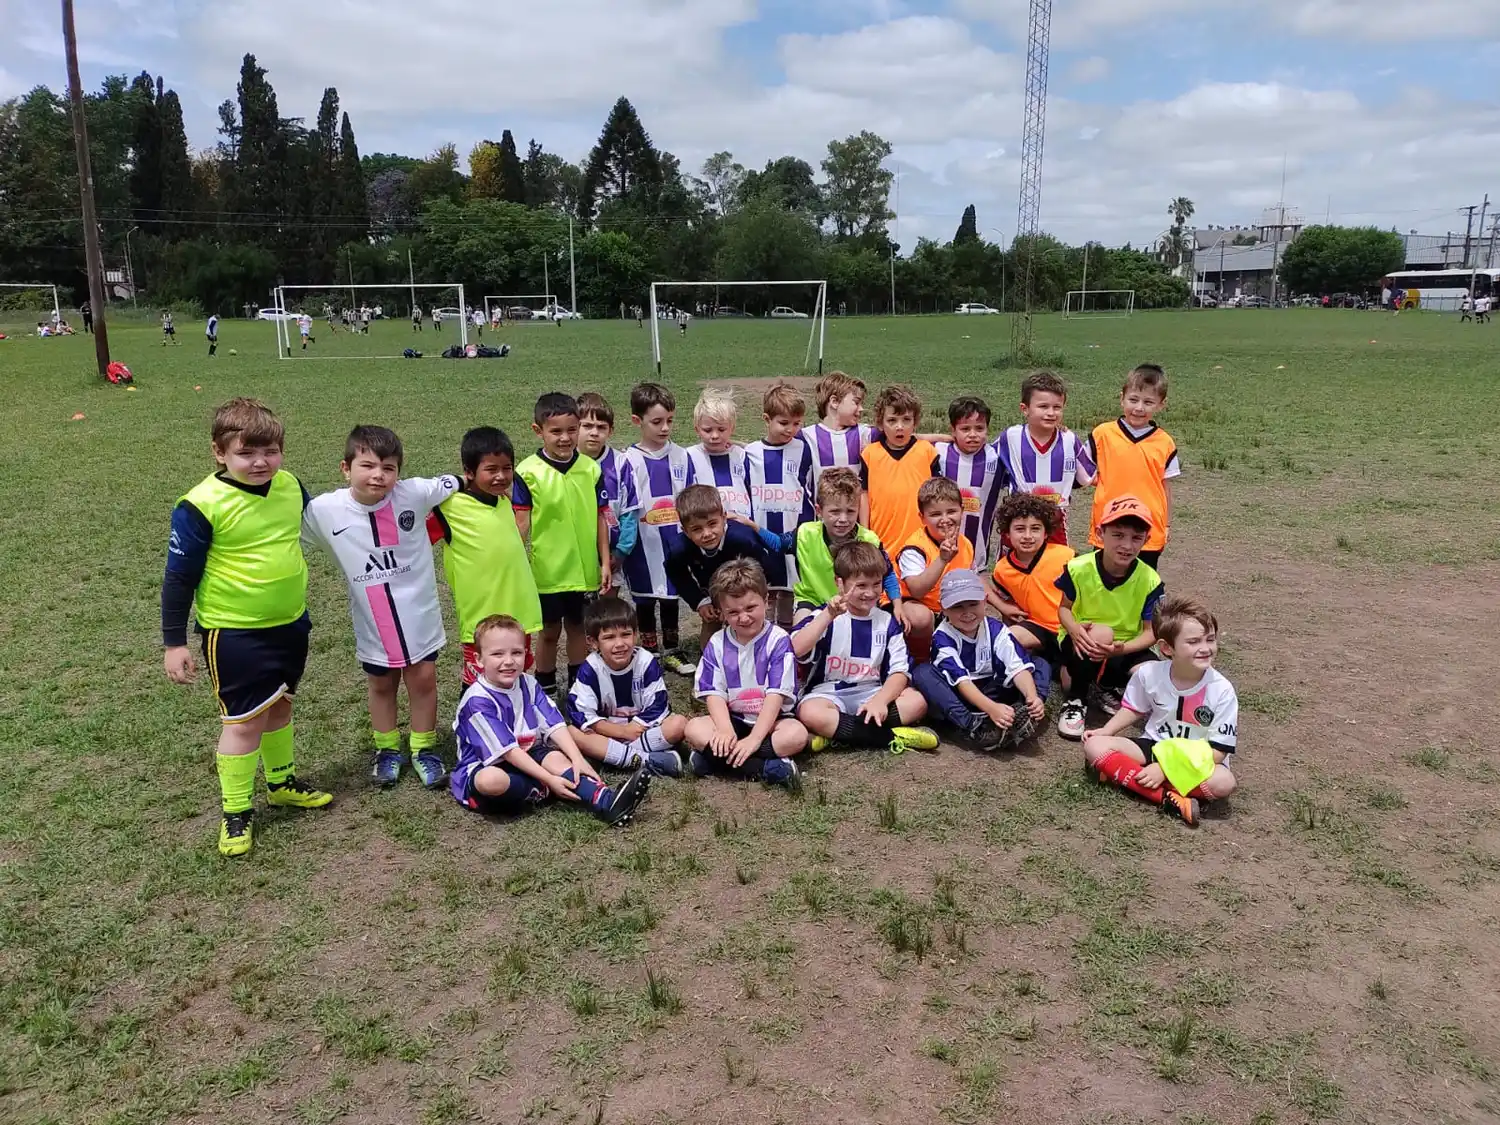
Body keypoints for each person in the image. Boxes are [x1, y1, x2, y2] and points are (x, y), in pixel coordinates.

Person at [161, 398, 331, 857]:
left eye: (270, 451)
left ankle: (281, 783)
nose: (260, 462)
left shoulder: (292, 485)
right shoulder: (200, 505)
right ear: (219, 452)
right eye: (246, 453)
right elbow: (179, 579)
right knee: (243, 723)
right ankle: (236, 813)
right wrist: (174, 643)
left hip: (291, 623)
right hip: (233, 632)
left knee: (280, 707)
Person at [302, 425, 460, 789]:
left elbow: (454, 481)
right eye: (368, 465)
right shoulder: (324, 511)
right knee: (381, 683)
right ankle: (387, 749)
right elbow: (284, 536)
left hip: (418, 612)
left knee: (423, 679)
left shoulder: (415, 493)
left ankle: (424, 748)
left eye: (388, 468)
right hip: (373, 619)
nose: (378, 475)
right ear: (345, 468)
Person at [451, 615, 650, 826]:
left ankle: (607, 801)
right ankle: (542, 789)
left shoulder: (527, 683)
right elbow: (509, 751)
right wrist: (549, 779)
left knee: (557, 757)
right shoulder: (477, 702)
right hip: (490, 764)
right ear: (479, 659)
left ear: (526, 654)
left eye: (516, 652)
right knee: (490, 781)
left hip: (529, 752)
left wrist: (577, 759)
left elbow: (554, 724)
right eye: (497, 654)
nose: (508, 661)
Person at [1082, 595, 1238, 827]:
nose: (1205, 648)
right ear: (1167, 648)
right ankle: (1170, 798)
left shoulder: (1222, 690)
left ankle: (1127, 776)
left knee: (1224, 783)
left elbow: (1218, 752)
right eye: (1193, 642)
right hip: (1155, 745)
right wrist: (1106, 729)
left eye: (1210, 639)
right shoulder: (1149, 674)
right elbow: (1133, 708)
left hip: (1195, 758)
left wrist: (1166, 769)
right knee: (1095, 745)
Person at [512, 393, 611, 703]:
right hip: (548, 574)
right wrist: (514, 565)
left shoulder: (590, 469)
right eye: (556, 431)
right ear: (537, 430)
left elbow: (599, 518)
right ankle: (545, 689)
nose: (566, 438)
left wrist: (605, 562)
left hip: (584, 571)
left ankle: (578, 689)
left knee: (580, 629)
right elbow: (521, 524)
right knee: (550, 632)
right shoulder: (527, 472)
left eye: (572, 429)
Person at [793, 541, 936, 754]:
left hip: (872, 692)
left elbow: (899, 672)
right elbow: (795, 649)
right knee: (809, 712)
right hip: (830, 695)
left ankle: (837, 734)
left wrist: (880, 701)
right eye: (861, 586)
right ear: (839, 583)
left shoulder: (888, 622)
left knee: (917, 701)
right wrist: (827, 616)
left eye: (876, 584)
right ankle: (892, 737)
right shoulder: (826, 616)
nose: (870, 593)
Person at [427, 427, 544, 688]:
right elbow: (415, 540)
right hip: (481, 620)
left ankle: (517, 726)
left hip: (519, 613)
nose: (501, 476)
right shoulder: (449, 508)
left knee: (517, 676)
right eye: (491, 469)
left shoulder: (503, 501)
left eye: (507, 468)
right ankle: (471, 728)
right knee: (480, 683)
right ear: (469, 472)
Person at [682, 560, 807, 784]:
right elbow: (714, 693)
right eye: (733, 612)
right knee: (693, 729)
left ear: (766, 601)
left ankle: (713, 760)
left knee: (796, 736)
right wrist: (725, 729)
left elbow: (775, 695)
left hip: (773, 720)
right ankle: (766, 768)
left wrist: (755, 739)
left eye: (750, 608)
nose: (743, 617)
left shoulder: (778, 640)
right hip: (734, 719)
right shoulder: (717, 642)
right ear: (722, 613)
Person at [1054, 495, 1165, 741]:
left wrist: (1120, 649)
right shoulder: (1078, 567)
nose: (1127, 545)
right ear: (1099, 533)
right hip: (1085, 639)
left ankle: (1103, 685)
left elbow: (1151, 632)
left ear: (1146, 540)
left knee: (1152, 672)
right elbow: (1064, 609)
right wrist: (1073, 629)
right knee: (1101, 633)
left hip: (1123, 646)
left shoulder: (1150, 579)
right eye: (1118, 535)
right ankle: (1076, 700)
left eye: (1136, 538)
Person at [914, 570, 1045, 751]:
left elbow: (1018, 667)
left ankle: (1027, 711)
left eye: (973, 604)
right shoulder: (942, 637)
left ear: (985, 601)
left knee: (1039, 665)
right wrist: (991, 708)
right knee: (922, 672)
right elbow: (962, 683)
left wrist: (1032, 695)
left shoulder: (996, 628)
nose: (967, 613)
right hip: (961, 697)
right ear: (942, 607)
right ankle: (975, 727)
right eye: (957, 607)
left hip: (994, 688)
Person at [565, 597, 687, 777]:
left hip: (641, 730)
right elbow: (581, 713)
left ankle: (617, 758)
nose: (620, 644)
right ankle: (647, 760)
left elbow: (658, 704)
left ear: (636, 634)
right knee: (572, 732)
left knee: (679, 724)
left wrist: (632, 729)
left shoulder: (645, 661)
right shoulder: (590, 669)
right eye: (609, 637)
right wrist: (620, 731)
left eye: (625, 634)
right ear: (593, 642)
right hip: (607, 732)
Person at [621, 383, 693, 674]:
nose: (665, 428)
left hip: (674, 540)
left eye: (670, 421)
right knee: (645, 597)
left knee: (672, 594)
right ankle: (650, 650)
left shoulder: (682, 456)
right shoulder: (628, 459)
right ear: (637, 421)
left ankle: (674, 650)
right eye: (657, 422)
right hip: (643, 542)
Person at [1086, 365, 1178, 569]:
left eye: (1148, 402)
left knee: (1141, 587)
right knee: (1102, 582)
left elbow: (1165, 487)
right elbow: (1082, 471)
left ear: (1161, 405)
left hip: (1148, 528)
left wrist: (1166, 524)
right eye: (1133, 400)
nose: (1139, 408)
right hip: (1108, 523)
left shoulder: (1165, 443)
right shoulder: (1102, 434)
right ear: (1122, 398)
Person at [987, 492, 1073, 699]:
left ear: (1046, 532)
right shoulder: (1002, 569)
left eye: (1035, 529)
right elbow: (1010, 603)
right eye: (1020, 529)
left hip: (1069, 629)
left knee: (1069, 686)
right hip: (1038, 628)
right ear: (1007, 533)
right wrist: (1003, 607)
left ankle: (1052, 665)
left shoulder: (1066, 556)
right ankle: (1027, 672)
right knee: (1007, 638)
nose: (1027, 536)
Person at [792, 467, 905, 625]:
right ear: (819, 511)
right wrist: (753, 527)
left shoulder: (869, 539)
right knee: (801, 629)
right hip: (812, 601)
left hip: (856, 604)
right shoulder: (805, 533)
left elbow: (887, 573)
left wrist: (897, 605)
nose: (843, 519)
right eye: (835, 511)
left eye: (851, 511)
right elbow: (776, 542)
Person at [994, 371, 1094, 546]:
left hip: (1055, 522)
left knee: (1056, 569)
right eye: (1043, 407)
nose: (1051, 413)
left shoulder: (1069, 439)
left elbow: (1086, 478)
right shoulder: (1010, 437)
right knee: (1013, 570)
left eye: (1057, 407)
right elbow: (982, 459)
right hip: (1019, 521)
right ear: (1025, 409)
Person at [743, 381, 814, 627]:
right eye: (784, 423)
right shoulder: (750, 453)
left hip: (795, 533)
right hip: (761, 532)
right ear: (767, 418)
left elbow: (810, 490)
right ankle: (762, 634)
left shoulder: (804, 449)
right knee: (764, 588)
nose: (790, 429)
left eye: (796, 423)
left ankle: (785, 636)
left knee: (790, 589)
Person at [665, 485, 775, 642]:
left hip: (747, 591)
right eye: (697, 529)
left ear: (724, 517)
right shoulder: (678, 549)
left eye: (712, 524)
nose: (707, 533)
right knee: (709, 637)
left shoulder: (743, 539)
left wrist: (746, 603)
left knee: (753, 629)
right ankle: (712, 662)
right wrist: (700, 602)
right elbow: (677, 574)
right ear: (685, 531)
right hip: (711, 593)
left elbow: (765, 570)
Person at [860, 383, 939, 565]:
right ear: (880, 423)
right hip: (882, 539)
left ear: (915, 422)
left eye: (906, 420)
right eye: (892, 420)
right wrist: (865, 532)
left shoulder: (927, 452)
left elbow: (938, 496)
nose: (899, 427)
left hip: (920, 540)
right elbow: (863, 494)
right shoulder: (870, 454)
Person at [895, 476, 973, 656]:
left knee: (975, 606)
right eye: (935, 514)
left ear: (962, 511)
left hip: (947, 607)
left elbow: (972, 578)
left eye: (951, 511)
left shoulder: (965, 543)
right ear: (922, 518)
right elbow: (917, 590)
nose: (945, 520)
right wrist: (943, 559)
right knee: (919, 617)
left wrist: (1002, 605)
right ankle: (921, 659)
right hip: (913, 605)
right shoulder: (914, 547)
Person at [933, 396, 1009, 569]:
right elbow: (908, 439)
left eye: (979, 428)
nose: (973, 435)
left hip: (978, 548)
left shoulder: (997, 456)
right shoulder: (938, 452)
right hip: (940, 546)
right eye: (965, 429)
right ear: (953, 430)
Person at [577, 392, 640, 597]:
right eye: (586, 426)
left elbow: (630, 512)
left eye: (601, 427)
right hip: (574, 557)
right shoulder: (567, 464)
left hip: (611, 556)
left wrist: (621, 552)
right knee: (578, 619)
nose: (594, 433)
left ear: (610, 431)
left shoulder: (620, 463)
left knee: (606, 615)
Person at [685, 388, 752, 521]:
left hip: (742, 528)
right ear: (697, 429)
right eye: (708, 430)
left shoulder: (742, 455)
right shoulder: (689, 457)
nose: (715, 436)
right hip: (707, 530)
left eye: (721, 429)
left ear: (732, 428)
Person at [804, 371, 877, 488]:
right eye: (856, 402)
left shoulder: (866, 434)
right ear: (835, 402)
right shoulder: (806, 437)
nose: (862, 409)